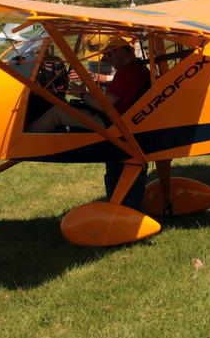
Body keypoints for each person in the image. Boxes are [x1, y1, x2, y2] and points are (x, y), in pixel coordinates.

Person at [29, 36, 151, 209]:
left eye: (109, 56)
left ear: (120, 51)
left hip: (112, 123)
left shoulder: (128, 72)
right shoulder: (138, 70)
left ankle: (23, 139)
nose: (108, 60)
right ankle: (119, 205)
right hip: (122, 122)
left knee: (58, 112)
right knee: (114, 166)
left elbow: (104, 105)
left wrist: (81, 94)